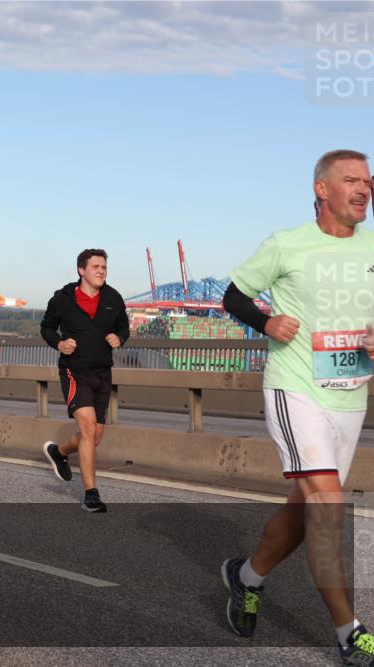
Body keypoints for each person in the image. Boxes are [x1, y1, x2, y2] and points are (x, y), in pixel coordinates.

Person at [220, 149, 374, 665]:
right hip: (296, 389)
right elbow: (234, 295)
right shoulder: (286, 245)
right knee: (327, 505)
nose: (364, 188)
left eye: (368, 180)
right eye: (351, 179)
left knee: (305, 512)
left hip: (350, 395)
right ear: (322, 190)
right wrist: (265, 323)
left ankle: (246, 577)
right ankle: (349, 631)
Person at [40, 248, 129, 513]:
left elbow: (123, 327)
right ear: (82, 270)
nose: (101, 271)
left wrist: (120, 338)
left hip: (103, 373)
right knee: (88, 428)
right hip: (74, 371)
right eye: (96, 267)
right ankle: (91, 494)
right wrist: (59, 343)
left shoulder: (113, 298)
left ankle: (59, 452)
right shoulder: (63, 298)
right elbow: (46, 327)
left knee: (95, 435)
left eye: (104, 267)